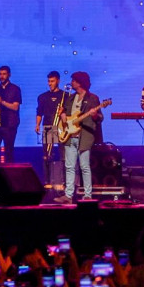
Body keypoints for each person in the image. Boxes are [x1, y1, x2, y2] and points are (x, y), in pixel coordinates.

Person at [53, 71, 102, 204]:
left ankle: (87, 195)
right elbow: (65, 114)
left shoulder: (92, 98)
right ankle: (68, 196)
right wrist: (63, 115)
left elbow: (100, 117)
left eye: (74, 81)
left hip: (84, 136)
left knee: (84, 166)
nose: (72, 83)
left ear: (80, 82)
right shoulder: (70, 98)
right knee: (69, 167)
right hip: (70, 136)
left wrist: (94, 115)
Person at [35, 71, 66, 189]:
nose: (50, 83)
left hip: (62, 128)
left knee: (63, 155)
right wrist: (37, 124)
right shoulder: (43, 97)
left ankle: (64, 181)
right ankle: (47, 181)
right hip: (48, 127)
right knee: (47, 155)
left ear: (58, 81)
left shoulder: (65, 95)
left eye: (52, 81)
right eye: (49, 81)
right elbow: (39, 112)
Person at [0, 65, 22, 164]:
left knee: (9, 152)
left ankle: (8, 173)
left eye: (4, 74)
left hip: (9, 125)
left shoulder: (15, 89)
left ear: (9, 75)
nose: (2, 76)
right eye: (0, 74)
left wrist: (2, 102)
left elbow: (15, 107)